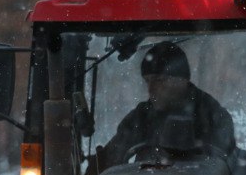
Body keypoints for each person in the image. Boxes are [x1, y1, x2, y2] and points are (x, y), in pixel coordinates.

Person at [98, 41, 236, 167]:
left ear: (181, 80)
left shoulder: (212, 116)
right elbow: (109, 158)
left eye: (159, 80)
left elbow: (223, 172)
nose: (151, 89)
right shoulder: (142, 116)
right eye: (147, 81)